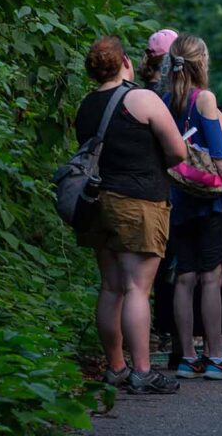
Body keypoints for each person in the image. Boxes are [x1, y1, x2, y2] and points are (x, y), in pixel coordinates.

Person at [73, 36, 185, 395]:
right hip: (139, 202)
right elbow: (177, 151)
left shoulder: (87, 105)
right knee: (138, 288)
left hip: (97, 202)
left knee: (111, 287)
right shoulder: (141, 98)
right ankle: (142, 370)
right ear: (124, 62)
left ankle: (116, 367)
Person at [163, 35, 222, 381]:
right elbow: (220, 154)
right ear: (202, 62)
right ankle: (215, 356)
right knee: (211, 276)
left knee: (184, 276)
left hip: (177, 198)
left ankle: (187, 356)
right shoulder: (205, 99)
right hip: (208, 199)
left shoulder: (165, 98)